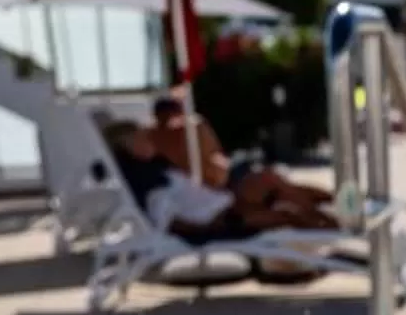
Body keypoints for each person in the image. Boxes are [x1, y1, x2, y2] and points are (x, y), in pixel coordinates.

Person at [138, 100, 337, 233]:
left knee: (279, 186)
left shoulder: (155, 141)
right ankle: (326, 218)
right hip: (221, 186)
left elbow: (212, 158)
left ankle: (328, 211)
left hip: (221, 181)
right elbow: (211, 163)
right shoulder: (188, 127)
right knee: (276, 185)